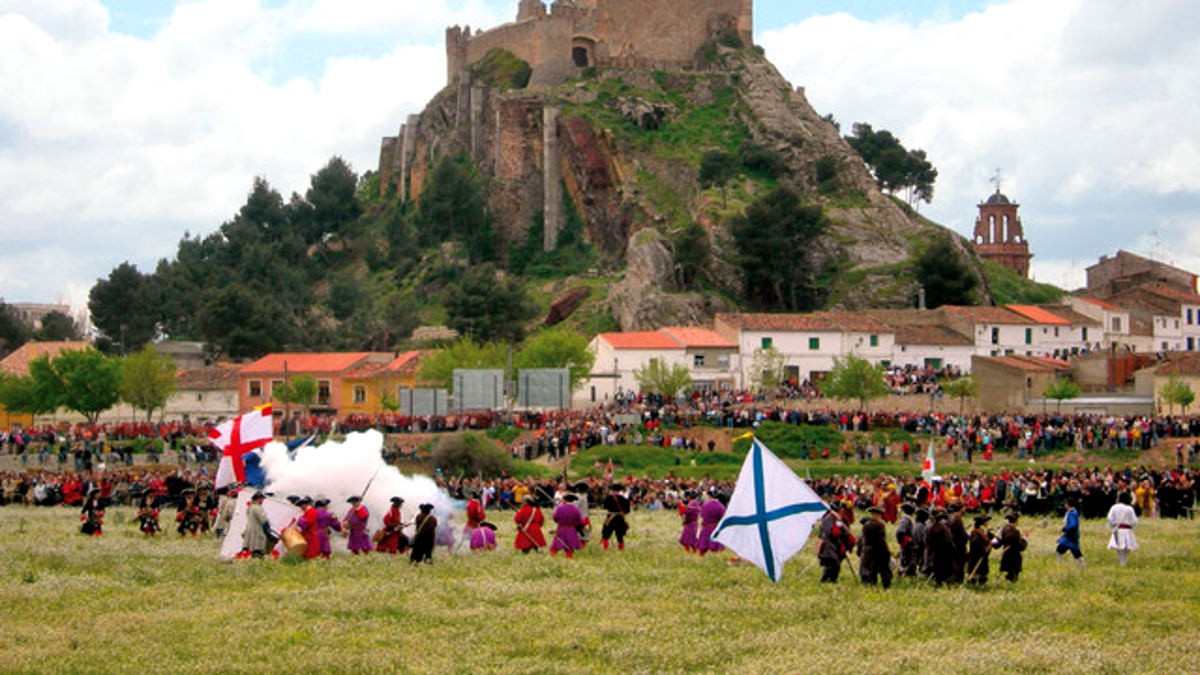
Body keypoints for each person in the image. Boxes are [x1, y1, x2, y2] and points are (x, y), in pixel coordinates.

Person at [817, 506, 856, 583]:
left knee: (836, 565)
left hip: (836, 545)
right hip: (828, 545)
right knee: (832, 564)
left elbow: (845, 531)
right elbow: (831, 533)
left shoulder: (840, 518)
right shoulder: (828, 519)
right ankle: (824, 580)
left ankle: (832, 580)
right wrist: (838, 524)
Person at [857, 506, 892, 589]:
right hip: (879, 551)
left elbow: (864, 539)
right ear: (877, 515)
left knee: (872, 570)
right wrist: (887, 551)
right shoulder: (880, 525)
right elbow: (881, 540)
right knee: (884, 570)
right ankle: (886, 586)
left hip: (868, 550)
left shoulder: (866, 525)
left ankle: (872, 585)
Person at [1106, 492, 1139, 566]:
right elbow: (1134, 521)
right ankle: (1124, 562)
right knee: (1126, 547)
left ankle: (1122, 562)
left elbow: (1110, 518)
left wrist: (1112, 526)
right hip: (1127, 530)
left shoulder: (1114, 507)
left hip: (1118, 530)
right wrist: (1132, 526)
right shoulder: (1129, 509)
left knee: (1119, 547)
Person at [925, 509, 955, 586]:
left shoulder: (930, 527)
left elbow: (928, 540)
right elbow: (949, 540)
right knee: (945, 567)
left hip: (934, 551)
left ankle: (938, 582)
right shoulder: (944, 528)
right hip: (944, 551)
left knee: (937, 567)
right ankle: (946, 581)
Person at [550, 493, 584, 559]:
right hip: (571, 530)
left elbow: (555, 518)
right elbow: (580, 522)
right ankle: (569, 559)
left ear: (565, 500)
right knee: (570, 547)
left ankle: (551, 558)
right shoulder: (576, 509)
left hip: (561, 529)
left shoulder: (559, 508)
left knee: (555, 546)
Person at [995, 511, 1026, 582]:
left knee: (1009, 573)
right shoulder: (1015, 531)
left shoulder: (1003, 529)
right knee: (1013, 576)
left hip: (1006, 555)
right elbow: (1020, 546)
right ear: (1016, 521)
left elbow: (999, 541)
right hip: (1014, 556)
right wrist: (1024, 540)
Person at [601, 483, 632, 552]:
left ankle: (605, 549)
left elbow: (605, 506)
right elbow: (627, 510)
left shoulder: (608, 498)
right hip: (620, 518)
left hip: (611, 518)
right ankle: (621, 550)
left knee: (606, 534)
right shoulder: (624, 498)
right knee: (620, 535)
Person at [696, 489, 726, 556]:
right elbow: (722, 517)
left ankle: (701, 556)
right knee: (715, 544)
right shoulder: (721, 506)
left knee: (703, 544)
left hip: (706, 526)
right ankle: (714, 556)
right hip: (716, 527)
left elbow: (702, 515)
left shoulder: (704, 505)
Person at [241, 491, 271, 559]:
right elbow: (264, 521)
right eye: (262, 499)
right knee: (257, 549)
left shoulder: (250, 507)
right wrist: (268, 530)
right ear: (259, 499)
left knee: (248, 550)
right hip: (256, 532)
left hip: (250, 530)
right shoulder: (258, 508)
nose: (263, 500)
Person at [1056, 497, 1085, 568]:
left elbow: (1073, 525)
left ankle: (1082, 565)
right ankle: (1059, 564)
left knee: (1074, 551)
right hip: (1070, 535)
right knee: (1060, 549)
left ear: (1068, 504)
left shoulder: (1072, 513)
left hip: (1071, 536)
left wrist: (1064, 529)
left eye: (1065, 503)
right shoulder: (1072, 512)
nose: (1064, 505)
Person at [966, 514, 993, 585]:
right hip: (976, 556)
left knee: (982, 574)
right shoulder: (976, 533)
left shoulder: (983, 532)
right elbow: (976, 544)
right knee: (976, 573)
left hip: (981, 556)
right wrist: (984, 550)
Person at [895, 502, 917, 577]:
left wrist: (904, 542)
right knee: (906, 562)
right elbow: (900, 532)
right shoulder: (907, 520)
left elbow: (900, 532)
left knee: (905, 562)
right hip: (908, 545)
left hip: (907, 545)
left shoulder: (905, 520)